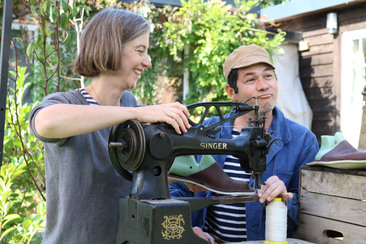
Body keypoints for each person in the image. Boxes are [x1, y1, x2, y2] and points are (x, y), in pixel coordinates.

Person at [29, 9, 215, 244]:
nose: (147, 62)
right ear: (111, 47)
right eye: (140, 51)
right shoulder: (68, 103)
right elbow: (45, 122)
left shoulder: (128, 103)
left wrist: (184, 185)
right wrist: (137, 113)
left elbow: (122, 175)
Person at [169, 44, 319, 242]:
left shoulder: (303, 141)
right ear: (231, 92)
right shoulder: (205, 134)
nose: (264, 85)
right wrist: (189, 231)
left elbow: (313, 210)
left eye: (268, 76)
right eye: (251, 79)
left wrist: (284, 200)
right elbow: (172, 192)